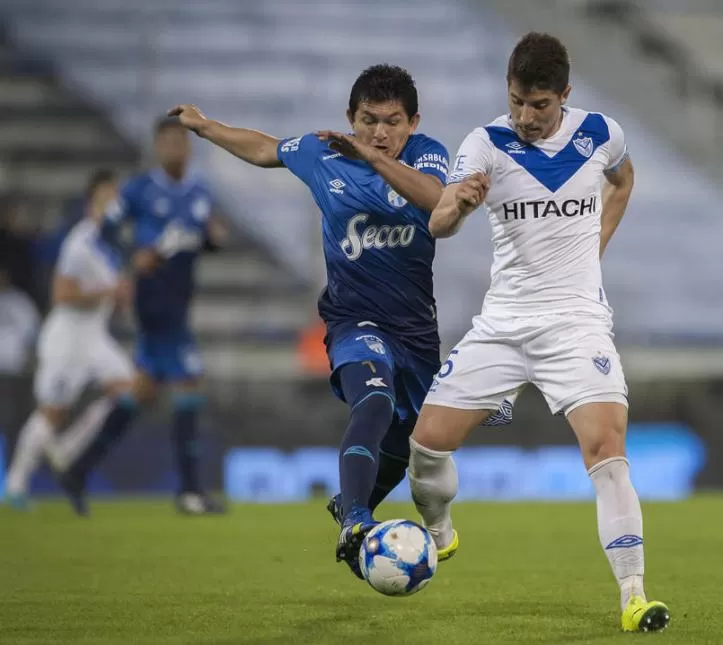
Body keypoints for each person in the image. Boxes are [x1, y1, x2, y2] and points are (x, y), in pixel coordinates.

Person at [403, 32, 670, 633]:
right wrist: (460, 204)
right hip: (502, 325)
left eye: (540, 105)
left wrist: (597, 244)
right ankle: (440, 532)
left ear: (565, 96)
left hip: (576, 325)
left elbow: (623, 181)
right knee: (425, 452)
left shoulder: (602, 134)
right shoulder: (486, 144)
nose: (526, 116)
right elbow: (439, 222)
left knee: (607, 452)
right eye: (518, 100)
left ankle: (634, 596)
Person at [166, 64, 450, 577]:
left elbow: (435, 200)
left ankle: (351, 503)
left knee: (408, 443)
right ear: (350, 117)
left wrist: (368, 155)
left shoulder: (428, 155)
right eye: (368, 121)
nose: (380, 132)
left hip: (417, 332)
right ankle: (358, 520)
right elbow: (264, 148)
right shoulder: (323, 154)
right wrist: (205, 127)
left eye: (392, 122)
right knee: (375, 398)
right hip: (354, 318)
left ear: (413, 123)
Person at [101, 118, 228, 515]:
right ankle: (190, 492)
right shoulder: (139, 190)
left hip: (179, 298)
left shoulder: (198, 192)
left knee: (144, 389)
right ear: (158, 147)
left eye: (181, 142)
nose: (176, 149)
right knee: (189, 381)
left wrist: (212, 239)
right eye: (169, 142)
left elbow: (200, 243)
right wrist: (127, 263)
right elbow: (104, 232)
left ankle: (77, 465)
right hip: (154, 299)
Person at [3, 170, 140, 514]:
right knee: (53, 412)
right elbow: (61, 294)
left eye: (115, 200)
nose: (112, 206)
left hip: (94, 336)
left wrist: (119, 299)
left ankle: (66, 449)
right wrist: (109, 291)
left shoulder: (110, 245)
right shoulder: (80, 242)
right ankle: (15, 485)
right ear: (90, 202)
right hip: (67, 337)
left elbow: (108, 294)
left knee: (130, 391)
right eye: (105, 199)